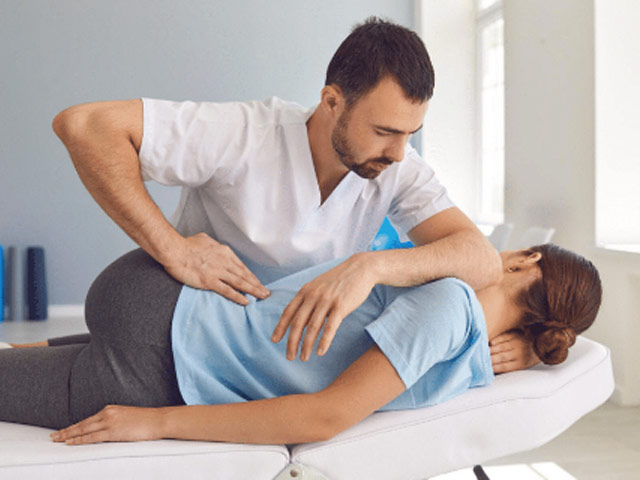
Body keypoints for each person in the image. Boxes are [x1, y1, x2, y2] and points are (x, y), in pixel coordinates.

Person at [50, 17, 538, 372]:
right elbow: (85, 126)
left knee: (66, 354)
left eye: (411, 133)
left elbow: (479, 259)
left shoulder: (398, 166)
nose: (399, 152)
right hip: (182, 324)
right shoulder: (245, 133)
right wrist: (173, 249)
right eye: (386, 130)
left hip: (278, 348)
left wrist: (368, 266)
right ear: (331, 102)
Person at [0, 243, 602, 446]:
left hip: (159, 330)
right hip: (158, 345)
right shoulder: (464, 331)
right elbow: (327, 413)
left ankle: (34, 351)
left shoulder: (450, 308)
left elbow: (325, 414)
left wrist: (157, 423)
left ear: (525, 258)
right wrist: (157, 422)